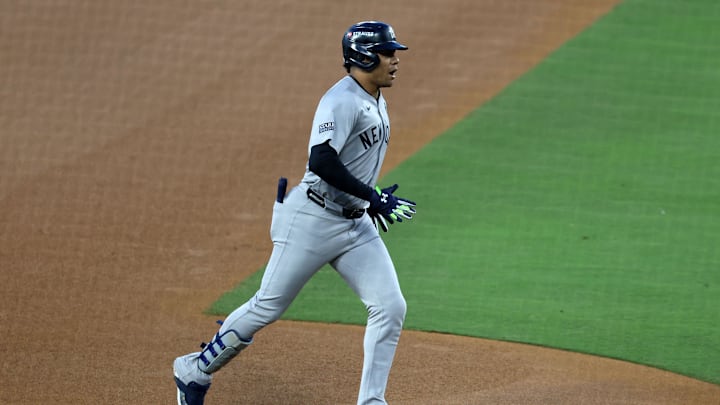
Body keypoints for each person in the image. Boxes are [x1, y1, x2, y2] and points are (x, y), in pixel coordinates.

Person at [173, 20, 416, 405]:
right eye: (388, 53)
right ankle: (194, 369)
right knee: (267, 306)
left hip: (353, 223)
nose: (395, 60)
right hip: (313, 218)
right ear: (365, 56)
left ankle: (372, 401)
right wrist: (371, 196)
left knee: (390, 306)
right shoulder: (340, 100)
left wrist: (364, 202)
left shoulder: (375, 98)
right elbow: (321, 160)